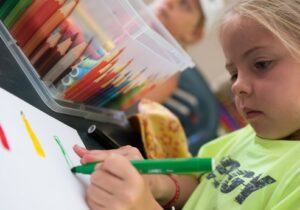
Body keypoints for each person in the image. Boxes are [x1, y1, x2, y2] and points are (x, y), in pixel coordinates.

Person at [74, 0, 300, 209]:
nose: (237, 86)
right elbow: (204, 186)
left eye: (261, 64)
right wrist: (154, 182)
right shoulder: (244, 139)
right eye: (233, 74)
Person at [144, 0, 223, 154]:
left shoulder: (168, 74)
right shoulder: (126, 28)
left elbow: (123, 110)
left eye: (185, 5)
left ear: (194, 34)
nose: (170, 2)